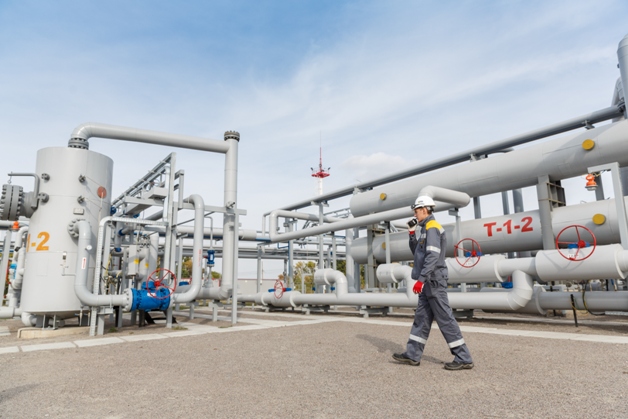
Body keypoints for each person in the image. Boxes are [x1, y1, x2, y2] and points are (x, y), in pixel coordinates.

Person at [392, 195, 474, 370]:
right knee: (421, 318)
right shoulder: (425, 229)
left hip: (433, 280)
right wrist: (412, 234)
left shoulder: (432, 227)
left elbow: (432, 256)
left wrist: (421, 280)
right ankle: (413, 355)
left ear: (424, 209)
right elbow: (418, 253)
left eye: (416, 210)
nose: (414, 214)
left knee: (445, 318)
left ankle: (464, 357)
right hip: (429, 281)